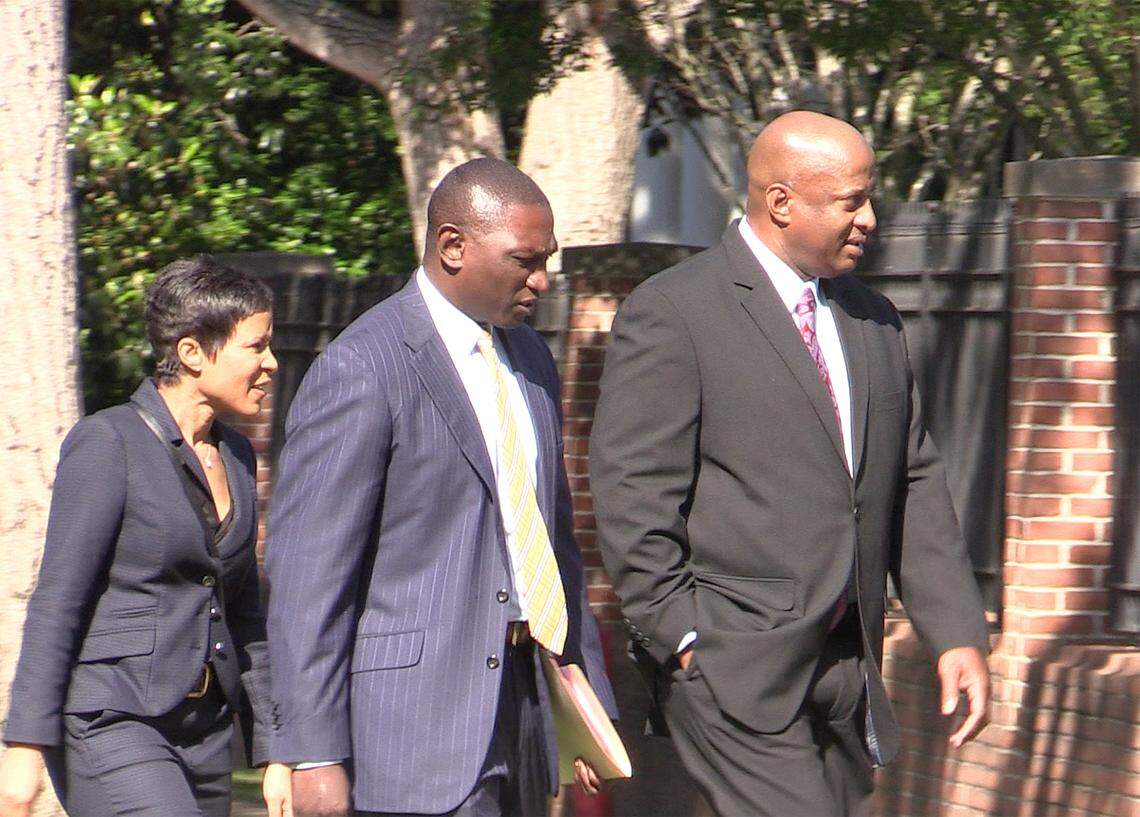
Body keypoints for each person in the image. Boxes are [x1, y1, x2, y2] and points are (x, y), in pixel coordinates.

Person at [589, 111, 991, 817]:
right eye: (850, 201)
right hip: (730, 662)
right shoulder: (677, 311)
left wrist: (954, 630)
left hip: (845, 669)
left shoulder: (874, 320)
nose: (868, 218)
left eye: (869, 199)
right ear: (781, 202)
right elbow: (633, 491)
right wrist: (684, 636)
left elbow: (911, 482)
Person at [262, 157, 617, 817]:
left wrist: (584, 696)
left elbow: (554, 541)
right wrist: (311, 751)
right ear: (453, 246)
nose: (541, 279)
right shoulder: (364, 366)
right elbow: (309, 577)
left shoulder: (532, 357)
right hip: (411, 733)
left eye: (549, 260)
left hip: (524, 711)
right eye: (523, 260)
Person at [0, 256, 281, 817]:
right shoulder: (108, 444)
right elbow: (59, 599)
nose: (271, 364)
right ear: (192, 352)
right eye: (256, 347)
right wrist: (24, 744)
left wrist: (275, 748)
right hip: (113, 721)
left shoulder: (236, 454)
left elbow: (245, 612)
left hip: (206, 735)